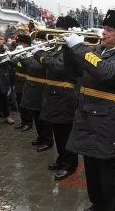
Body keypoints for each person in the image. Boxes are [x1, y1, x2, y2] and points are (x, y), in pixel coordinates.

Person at [63, 10, 115, 211]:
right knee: (91, 168)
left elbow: (106, 73)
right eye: (104, 28)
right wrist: (69, 48)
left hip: (107, 120)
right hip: (86, 114)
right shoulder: (97, 51)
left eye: (109, 30)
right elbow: (73, 71)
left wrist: (79, 47)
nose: (103, 32)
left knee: (106, 170)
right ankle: (97, 205)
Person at [34, 16, 80, 180]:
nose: (55, 34)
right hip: (53, 94)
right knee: (57, 132)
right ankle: (62, 159)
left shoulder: (72, 49)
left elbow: (59, 67)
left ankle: (70, 165)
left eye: (58, 30)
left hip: (64, 95)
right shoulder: (58, 48)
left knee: (65, 133)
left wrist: (40, 55)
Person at [20, 35, 53, 152]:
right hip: (34, 88)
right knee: (36, 115)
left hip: (42, 89)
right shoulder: (39, 53)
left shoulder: (49, 53)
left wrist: (25, 57)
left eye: (42, 40)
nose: (39, 42)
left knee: (43, 117)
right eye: (39, 40)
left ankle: (48, 140)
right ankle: (41, 137)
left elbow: (35, 66)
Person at [10, 34, 33, 130]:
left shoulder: (31, 52)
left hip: (27, 80)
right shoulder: (18, 51)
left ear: (26, 44)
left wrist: (19, 57)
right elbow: (12, 63)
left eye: (21, 43)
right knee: (20, 103)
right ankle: (23, 121)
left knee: (26, 103)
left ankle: (29, 122)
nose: (19, 45)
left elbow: (26, 66)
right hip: (18, 80)